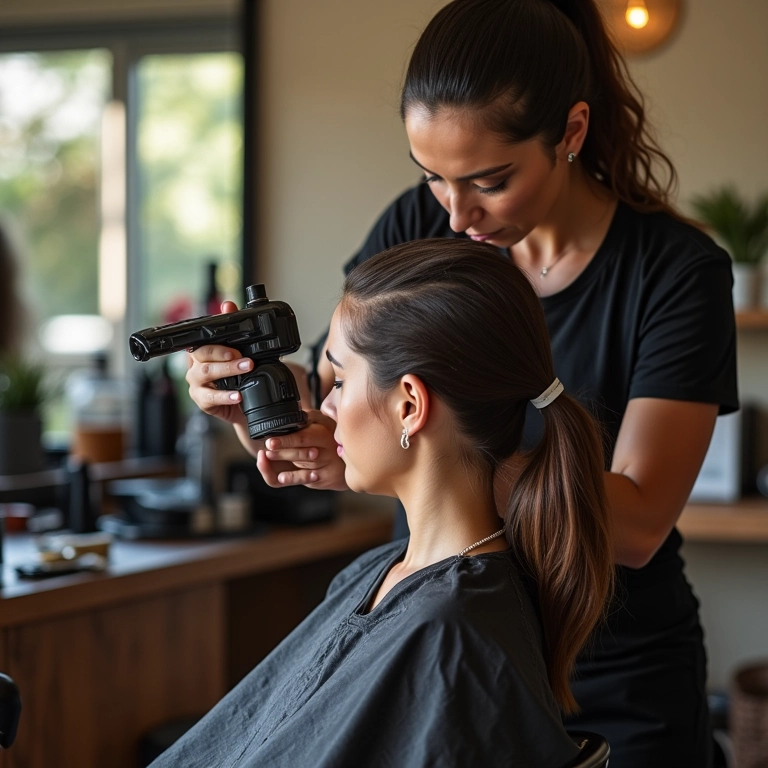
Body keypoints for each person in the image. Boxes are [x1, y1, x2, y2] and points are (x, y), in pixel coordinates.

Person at [187, 1, 738, 765]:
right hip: (429, 634)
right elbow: (342, 397)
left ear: (571, 133)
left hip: (613, 675)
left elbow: (639, 525)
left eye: (489, 180)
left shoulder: (674, 273)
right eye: (433, 178)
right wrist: (263, 404)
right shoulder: (420, 222)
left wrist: (452, 461)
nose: (455, 213)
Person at [156, 240, 613, 767]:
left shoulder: (453, 633)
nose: (325, 405)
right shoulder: (391, 578)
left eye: (341, 379)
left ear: (410, 405)